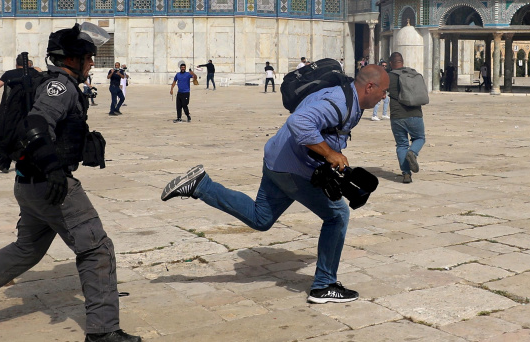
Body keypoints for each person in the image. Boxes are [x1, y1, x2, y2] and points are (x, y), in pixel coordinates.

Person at [0, 24, 141, 342]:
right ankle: (103, 331)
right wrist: (54, 170)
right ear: (71, 59)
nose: (91, 63)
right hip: (51, 186)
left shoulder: (62, 83)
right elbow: (35, 124)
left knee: (26, 249)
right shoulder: (59, 86)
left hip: (29, 185)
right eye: (87, 57)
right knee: (97, 248)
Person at [161, 64, 388, 305]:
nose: (385, 96)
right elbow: (299, 121)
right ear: (370, 87)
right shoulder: (339, 103)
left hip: (277, 158)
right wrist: (330, 153)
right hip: (292, 168)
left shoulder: (345, 96)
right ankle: (324, 285)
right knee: (338, 216)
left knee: (261, 218)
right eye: (383, 91)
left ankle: (200, 185)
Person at [387, 52, 425, 184]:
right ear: (402, 62)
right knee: (419, 138)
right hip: (415, 113)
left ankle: (406, 174)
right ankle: (413, 152)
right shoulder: (412, 73)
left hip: (397, 116)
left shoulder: (388, 77)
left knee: (402, 144)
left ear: (391, 63)